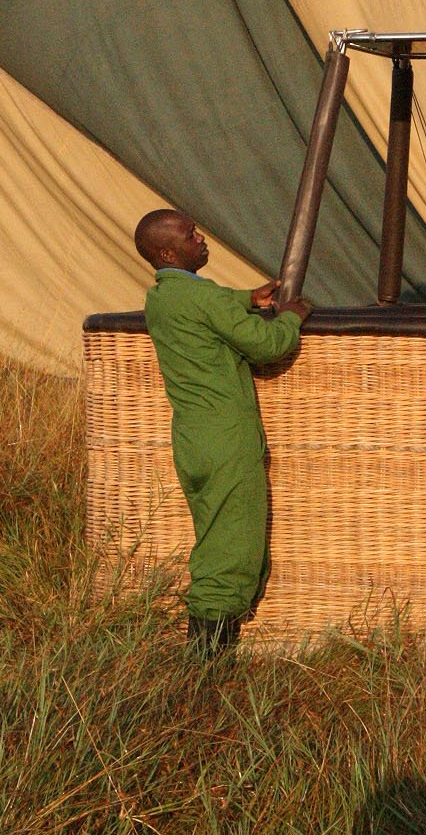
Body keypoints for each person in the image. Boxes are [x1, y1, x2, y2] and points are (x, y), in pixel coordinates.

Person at [135, 209, 310, 655]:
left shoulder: (161, 299)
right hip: (227, 439)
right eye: (190, 235)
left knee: (214, 535)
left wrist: (248, 299)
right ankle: (207, 661)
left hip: (193, 439)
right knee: (233, 546)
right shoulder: (203, 299)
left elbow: (206, 306)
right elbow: (268, 346)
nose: (201, 237)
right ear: (168, 251)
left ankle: (206, 652)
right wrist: (290, 317)